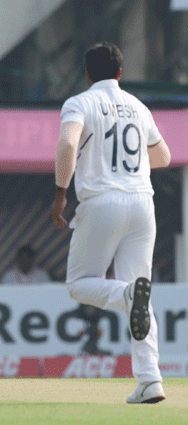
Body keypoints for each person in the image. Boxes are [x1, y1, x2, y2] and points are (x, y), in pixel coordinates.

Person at [52, 42, 171, 404]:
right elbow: (163, 157)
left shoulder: (80, 102)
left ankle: (124, 295)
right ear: (121, 73)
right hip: (141, 202)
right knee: (141, 289)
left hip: (102, 202)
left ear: (87, 73)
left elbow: (67, 145)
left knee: (79, 284)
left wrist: (60, 195)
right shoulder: (138, 106)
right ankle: (150, 380)